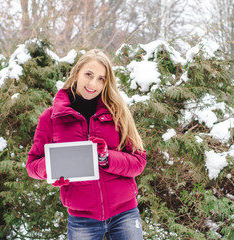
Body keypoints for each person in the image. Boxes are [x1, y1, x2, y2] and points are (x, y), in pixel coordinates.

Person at [26, 49, 146, 240]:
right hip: (82, 219)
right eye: (88, 75)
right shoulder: (51, 117)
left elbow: (139, 162)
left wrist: (107, 157)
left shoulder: (117, 113)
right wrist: (54, 167)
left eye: (101, 78)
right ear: (76, 73)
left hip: (125, 214)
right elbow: (32, 166)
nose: (93, 83)